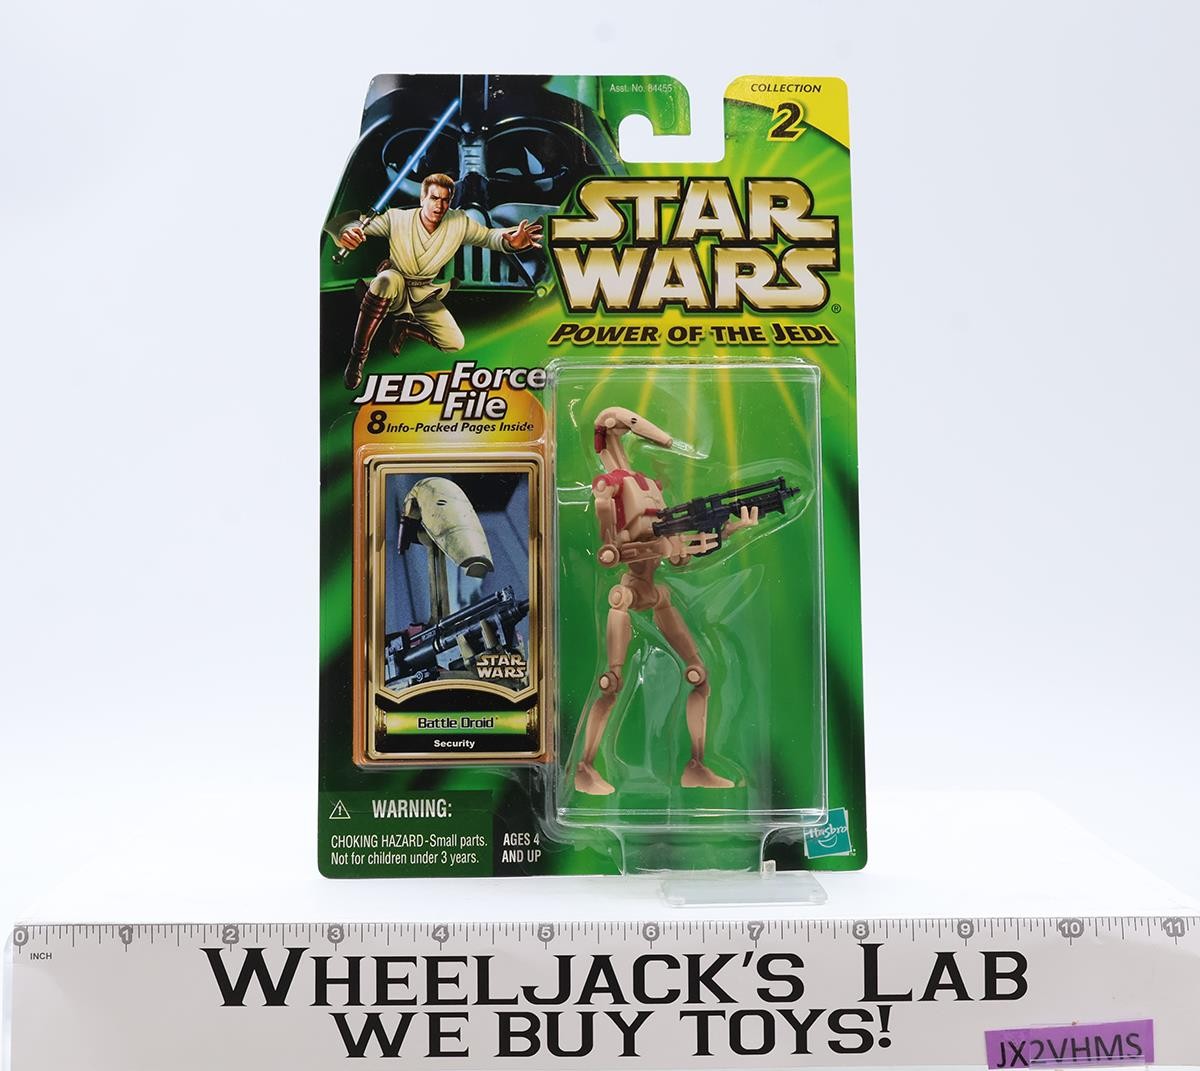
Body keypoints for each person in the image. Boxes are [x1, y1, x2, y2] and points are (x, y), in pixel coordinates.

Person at [332, 173, 542, 388]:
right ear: (422, 198)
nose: (440, 206)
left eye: (445, 200)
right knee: (385, 281)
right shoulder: (397, 218)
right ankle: (358, 357)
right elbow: (356, 224)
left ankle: (406, 328)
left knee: (454, 343)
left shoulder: (458, 222)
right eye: (434, 198)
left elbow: (488, 236)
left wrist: (511, 242)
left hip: (423, 291)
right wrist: (347, 232)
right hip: (396, 281)